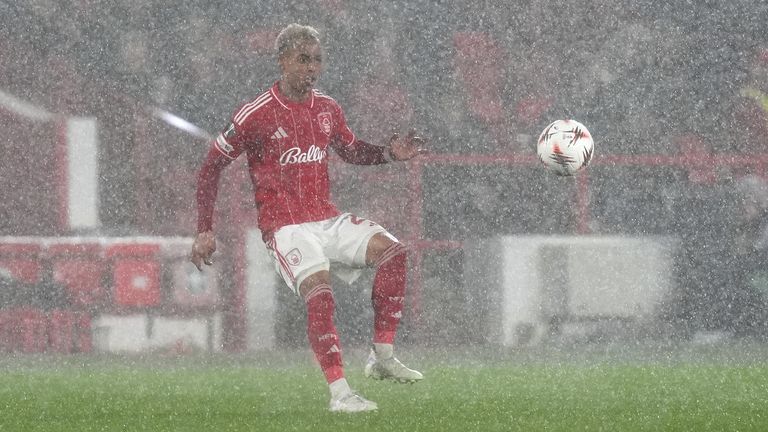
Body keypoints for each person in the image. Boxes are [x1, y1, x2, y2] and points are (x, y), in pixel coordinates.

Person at [189, 24, 426, 413]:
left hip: (326, 220)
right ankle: (340, 394)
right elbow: (212, 166)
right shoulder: (257, 114)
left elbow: (351, 151)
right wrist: (203, 229)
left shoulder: (328, 108)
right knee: (321, 294)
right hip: (286, 228)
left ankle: (381, 355)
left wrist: (388, 153)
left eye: (317, 60)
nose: (311, 68)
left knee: (394, 253)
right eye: (302, 59)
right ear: (282, 61)